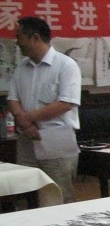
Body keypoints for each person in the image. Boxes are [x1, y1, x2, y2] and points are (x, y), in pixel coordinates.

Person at [8, 16, 81, 203]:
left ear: (35, 38)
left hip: (56, 139)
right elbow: (13, 98)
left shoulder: (66, 65)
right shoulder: (22, 67)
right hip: (27, 139)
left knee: (58, 195)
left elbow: (66, 103)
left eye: (19, 37)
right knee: (25, 193)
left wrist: (27, 119)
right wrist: (26, 125)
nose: (17, 42)